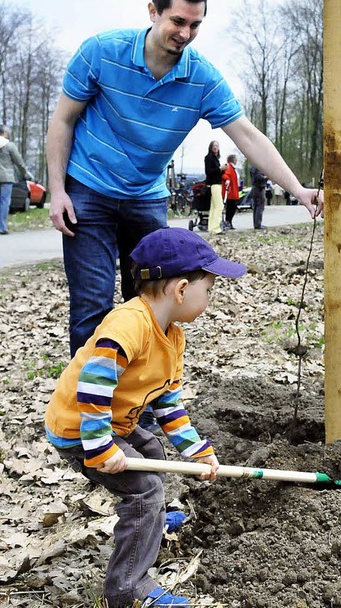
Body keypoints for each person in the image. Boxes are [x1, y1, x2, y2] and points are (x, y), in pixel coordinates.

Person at [46, 0, 322, 357]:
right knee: (92, 306)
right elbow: (62, 120)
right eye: (178, 21)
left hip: (145, 197)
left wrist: (297, 189)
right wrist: (57, 191)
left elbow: (247, 135)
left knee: (149, 305)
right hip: (88, 189)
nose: (186, 33)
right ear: (153, 12)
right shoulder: (101, 52)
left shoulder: (202, 78)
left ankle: (135, 407)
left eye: (195, 25)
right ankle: (87, 411)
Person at [44, 227, 247, 607]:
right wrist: (101, 447)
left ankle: (151, 521)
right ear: (182, 290)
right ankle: (127, 590)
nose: (211, 297)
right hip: (80, 427)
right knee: (144, 490)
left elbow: (168, 403)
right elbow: (93, 386)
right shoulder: (129, 325)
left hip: (114, 422)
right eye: (210, 288)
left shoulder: (173, 336)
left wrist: (196, 451)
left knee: (152, 448)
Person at [0, 126, 32, 235]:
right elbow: (19, 162)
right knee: (4, 202)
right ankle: (2, 227)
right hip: (6, 177)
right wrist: (25, 173)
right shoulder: (9, 146)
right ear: (4, 132)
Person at [204, 140, 224, 235]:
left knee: (213, 207)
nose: (215, 147)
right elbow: (208, 171)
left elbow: (216, 172)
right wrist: (219, 169)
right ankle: (216, 228)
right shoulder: (209, 158)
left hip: (218, 183)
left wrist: (222, 170)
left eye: (217, 145)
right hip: (214, 184)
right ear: (211, 147)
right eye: (214, 146)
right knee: (219, 206)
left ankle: (211, 228)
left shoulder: (216, 158)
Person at [221, 154, 240, 230]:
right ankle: (228, 222)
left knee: (232, 208)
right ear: (233, 160)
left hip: (233, 191)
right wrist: (227, 180)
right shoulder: (229, 167)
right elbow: (225, 175)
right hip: (230, 192)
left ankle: (229, 222)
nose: (236, 161)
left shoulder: (232, 167)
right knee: (231, 208)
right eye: (235, 159)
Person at [250, 164, 268, 229]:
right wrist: (266, 177)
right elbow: (259, 177)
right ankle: (258, 224)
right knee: (260, 206)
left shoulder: (253, 167)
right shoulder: (258, 167)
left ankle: (256, 223)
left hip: (255, 187)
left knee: (256, 206)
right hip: (259, 188)